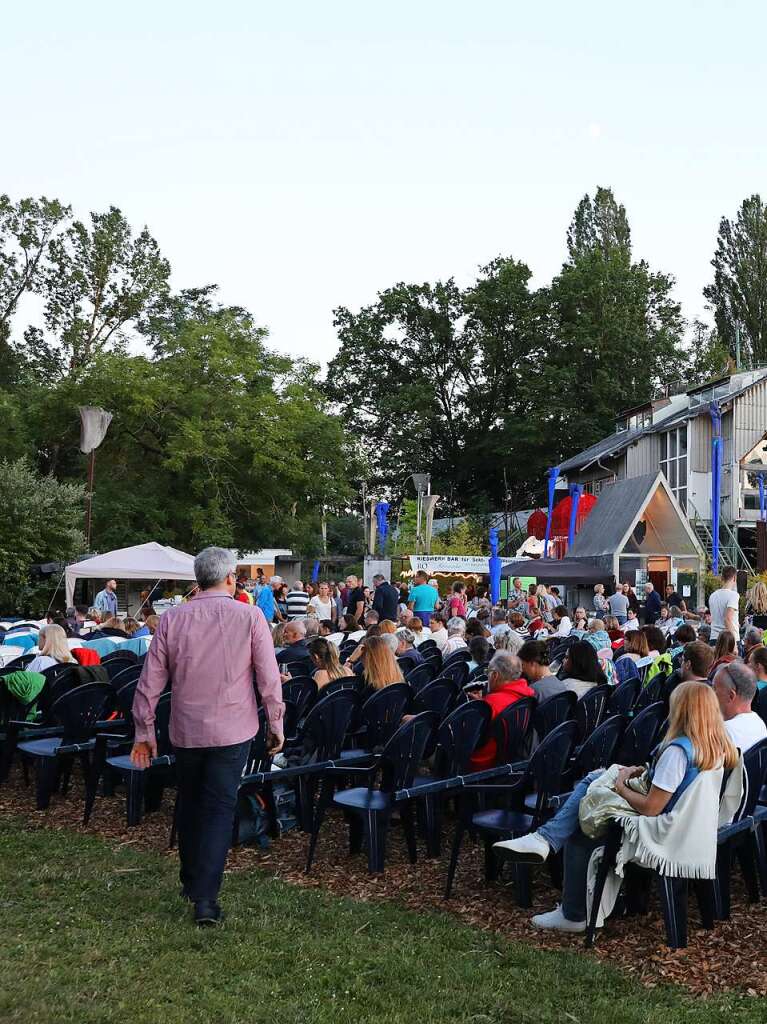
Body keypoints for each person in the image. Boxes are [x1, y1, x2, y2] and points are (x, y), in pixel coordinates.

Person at [494, 681, 739, 932]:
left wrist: (622, 785)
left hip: (663, 828)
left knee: (584, 822)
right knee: (599, 776)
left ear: (682, 711)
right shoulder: (716, 747)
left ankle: (573, 911)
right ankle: (545, 841)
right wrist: (644, 772)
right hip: (691, 828)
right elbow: (678, 784)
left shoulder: (677, 751)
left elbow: (651, 808)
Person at [131, 547, 284, 927]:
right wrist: (276, 724)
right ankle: (205, 897)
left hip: (187, 728)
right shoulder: (250, 617)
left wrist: (144, 729)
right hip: (233, 729)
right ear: (231, 578)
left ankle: (192, 881)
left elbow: (149, 684)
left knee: (190, 801)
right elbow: (269, 679)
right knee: (217, 808)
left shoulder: (173, 619)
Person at [467, 652, 536, 770]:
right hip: (511, 762)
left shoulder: (490, 704)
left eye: (488, 673)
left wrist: (478, 706)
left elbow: (468, 738)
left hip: (483, 765)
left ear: (494, 675)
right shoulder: (528, 696)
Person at [712, 661, 767, 751]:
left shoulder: (723, 733)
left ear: (731, 696)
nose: (711, 693)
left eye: (715, 688)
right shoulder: (759, 723)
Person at [708, 566, 740, 643]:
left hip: (714, 638)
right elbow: (728, 619)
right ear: (734, 578)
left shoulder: (713, 596)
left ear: (722, 578)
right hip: (728, 639)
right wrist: (734, 643)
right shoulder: (734, 595)